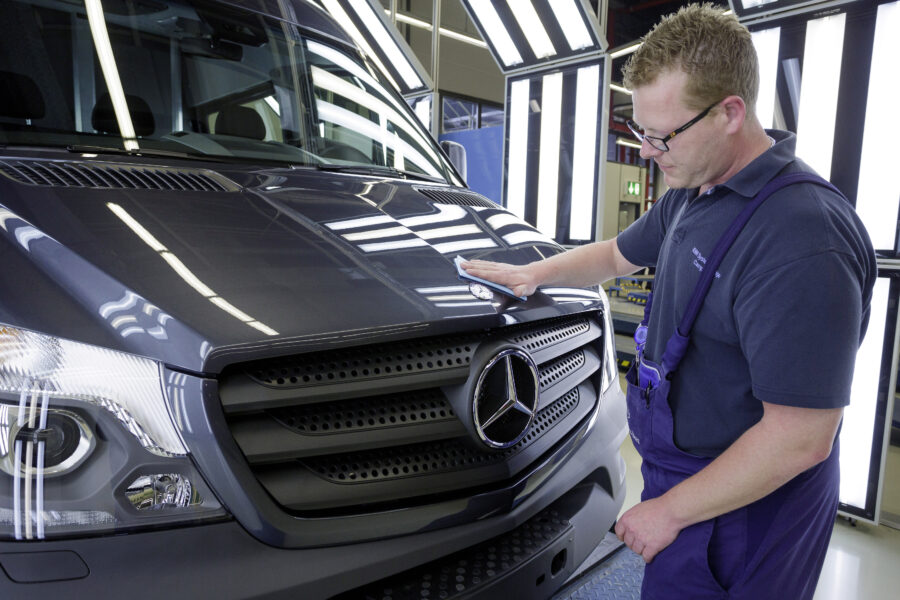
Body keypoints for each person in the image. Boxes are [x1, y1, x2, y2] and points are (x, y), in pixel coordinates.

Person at [461, 4, 876, 599]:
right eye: (641, 132)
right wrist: (532, 275)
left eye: (663, 135)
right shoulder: (695, 188)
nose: (649, 151)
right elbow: (613, 256)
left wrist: (671, 511)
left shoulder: (801, 238)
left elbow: (801, 436)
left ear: (731, 112)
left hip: (751, 505)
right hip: (689, 480)